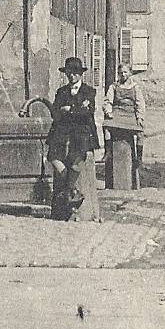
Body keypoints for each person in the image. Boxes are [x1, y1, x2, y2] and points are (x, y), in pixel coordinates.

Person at [46, 56, 100, 222]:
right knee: (54, 157)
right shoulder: (61, 91)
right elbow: (55, 112)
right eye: (69, 73)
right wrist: (73, 109)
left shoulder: (89, 91)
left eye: (75, 73)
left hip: (82, 132)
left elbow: (87, 113)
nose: (72, 76)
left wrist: (69, 109)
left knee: (77, 160)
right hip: (62, 131)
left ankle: (70, 194)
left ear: (80, 75)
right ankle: (69, 191)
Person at [104, 63, 146, 167]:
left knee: (140, 132)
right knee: (106, 127)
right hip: (117, 113)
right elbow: (108, 101)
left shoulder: (135, 87)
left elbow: (140, 103)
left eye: (125, 72)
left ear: (130, 73)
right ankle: (108, 152)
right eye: (120, 73)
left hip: (130, 114)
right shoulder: (114, 86)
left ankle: (139, 158)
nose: (123, 74)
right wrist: (108, 111)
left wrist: (139, 117)